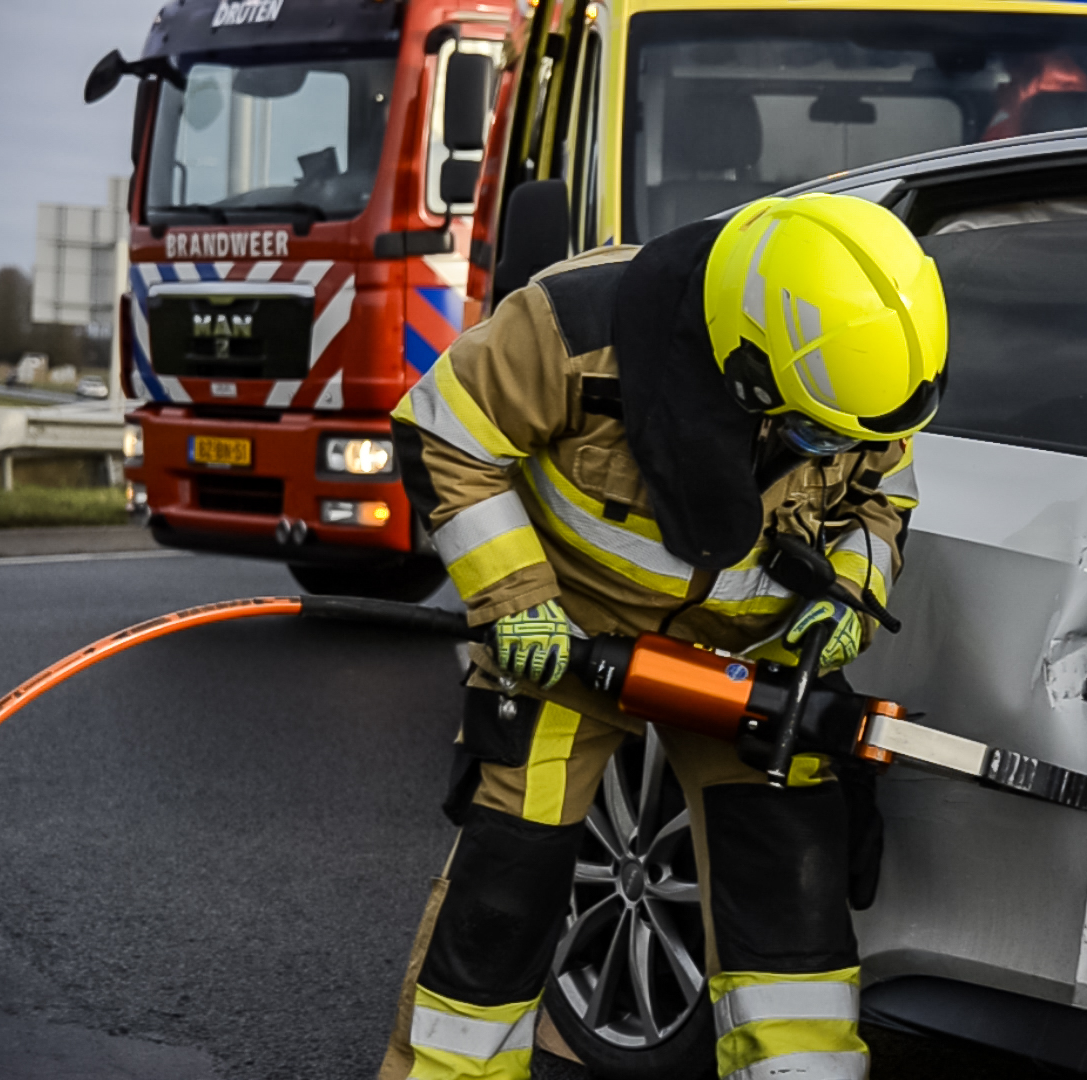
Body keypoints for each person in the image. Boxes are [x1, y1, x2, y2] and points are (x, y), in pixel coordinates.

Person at [377, 193, 946, 1080]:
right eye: (806, 433)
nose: (821, 452)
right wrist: (516, 599)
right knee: (506, 890)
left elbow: (883, 499)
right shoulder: (573, 325)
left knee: (788, 904)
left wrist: (849, 592)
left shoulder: (863, 382)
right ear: (747, 369)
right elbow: (447, 432)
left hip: (748, 663)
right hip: (571, 640)